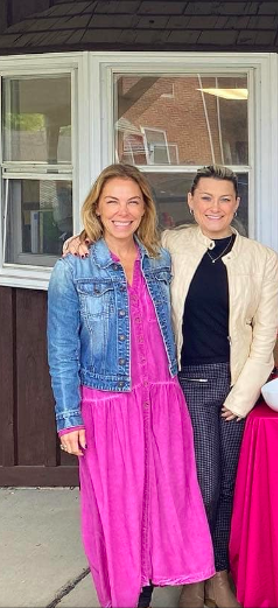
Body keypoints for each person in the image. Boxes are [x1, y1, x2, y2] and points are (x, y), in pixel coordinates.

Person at [67, 165, 278, 608]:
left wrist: (244, 395)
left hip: (237, 383)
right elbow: (119, 238)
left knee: (228, 485)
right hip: (185, 383)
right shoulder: (167, 246)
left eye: (224, 199)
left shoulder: (262, 258)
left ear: (236, 205)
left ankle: (217, 575)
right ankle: (193, 575)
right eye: (206, 198)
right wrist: (82, 238)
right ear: (190, 201)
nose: (215, 207)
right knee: (199, 486)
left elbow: (265, 334)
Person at [48, 164, 214, 608]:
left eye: (132, 202)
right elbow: (61, 349)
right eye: (112, 202)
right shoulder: (73, 267)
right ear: (97, 209)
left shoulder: (160, 259)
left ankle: (147, 590)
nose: (123, 212)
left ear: (145, 208)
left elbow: (207, 238)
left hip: (162, 400)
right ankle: (126, 599)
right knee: (118, 512)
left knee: (163, 505)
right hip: (107, 404)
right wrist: (69, 420)